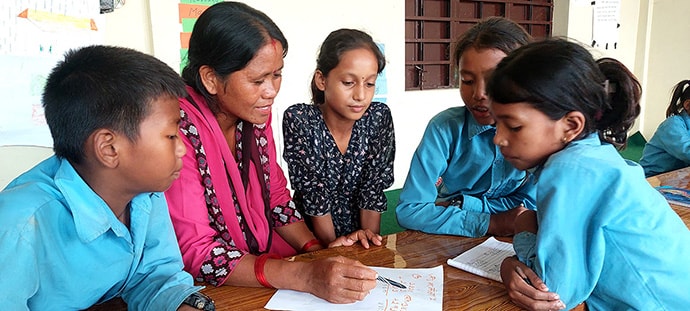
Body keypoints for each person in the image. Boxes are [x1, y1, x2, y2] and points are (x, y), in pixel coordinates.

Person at [164, 2, 378, 304]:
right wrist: (304, 275)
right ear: (211, 78)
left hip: (258, 262)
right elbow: (198, 252)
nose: (271, 91)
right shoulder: (175, 128)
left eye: (277, 75)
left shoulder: (252, 114)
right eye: (257, 80)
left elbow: (275, 196)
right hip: (202, 289)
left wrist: (315, 249)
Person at [0, 45, 214, 310]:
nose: (182, 148)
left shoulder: (144, 192)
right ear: (109, 148)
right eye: (171, 136)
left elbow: (155, 278)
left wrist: (181, 304)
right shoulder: (19, 225)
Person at [490, 39, 690, 310]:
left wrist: (521, 235)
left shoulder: (568, 170)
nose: (498, 139)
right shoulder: (595, 156)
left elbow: (557, 295)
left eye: (513, 126)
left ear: (570, 125)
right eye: (496, 123)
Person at [396, 17, 536, 238]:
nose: (478, 94)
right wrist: (494, 222)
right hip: (450, 243)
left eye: (493, 81)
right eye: (467, 81)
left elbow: (532, 208)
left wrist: (458, 205)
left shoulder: (540, 132)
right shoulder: (444, 128)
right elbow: (410, 210)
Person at [282, 28, 394, 245]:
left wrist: (368, 242)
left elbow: (372, 187)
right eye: (348, 83)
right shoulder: (300, 120)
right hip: (313, 241)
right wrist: (333, 249)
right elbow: (314, 194)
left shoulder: (378, 118)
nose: (361, 95)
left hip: (359, 237)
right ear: (322, 80)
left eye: (369, 83)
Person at [639, 80, 690, 176]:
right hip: (652, 178)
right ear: (687, 105)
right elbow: (687, 151)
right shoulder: (672, 124)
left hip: (676, 178)